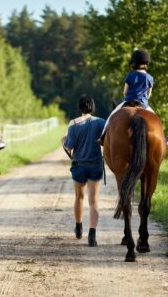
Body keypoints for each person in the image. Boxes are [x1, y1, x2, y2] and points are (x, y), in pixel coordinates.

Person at [99, 49, 168, 146]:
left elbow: (125, 92)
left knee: (112, 115)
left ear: (133, 64)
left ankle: (102, 137)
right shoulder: (150, 78)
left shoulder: (130, 75)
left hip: (128, 102)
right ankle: (163, 138)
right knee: (156, 120)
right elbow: (149, 94)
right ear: (147, 64)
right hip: (143, 104)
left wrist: (127, 97)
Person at [61, 95, 106, 247]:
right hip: (95, 165)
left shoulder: (73, 123)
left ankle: (79, 226)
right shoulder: (101, 122)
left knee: (79, 197)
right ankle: (92, 234)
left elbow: (69, 146)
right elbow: (105, 140)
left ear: (80, 108)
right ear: (92, 107)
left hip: (79, 166)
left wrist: (63, 141)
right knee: (93, 201)